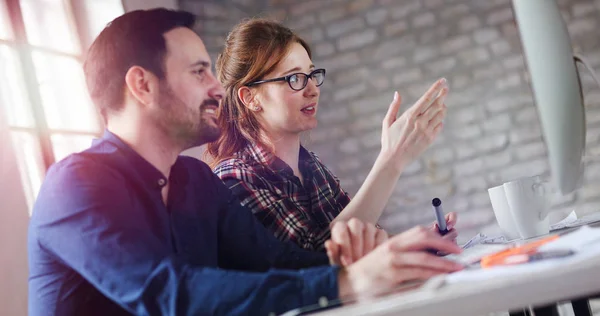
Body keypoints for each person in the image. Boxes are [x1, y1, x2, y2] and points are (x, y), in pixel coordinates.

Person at [27, 8, 463, 316]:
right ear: (142, 85)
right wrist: (350, 281)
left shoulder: (194, 180)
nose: (219, 89)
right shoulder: (75, 185)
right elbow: (172, 295)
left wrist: (392, 257)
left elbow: (280, 262)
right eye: (199, 72)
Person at [208, 18, 456, 254]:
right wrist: (391, 161)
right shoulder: (234, 179)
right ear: (250, 98)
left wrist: (425, 243)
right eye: (294, 78)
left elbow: (365, 239)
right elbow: (315, 259)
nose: (313, 90)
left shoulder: (312, 167)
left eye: (311, 75)